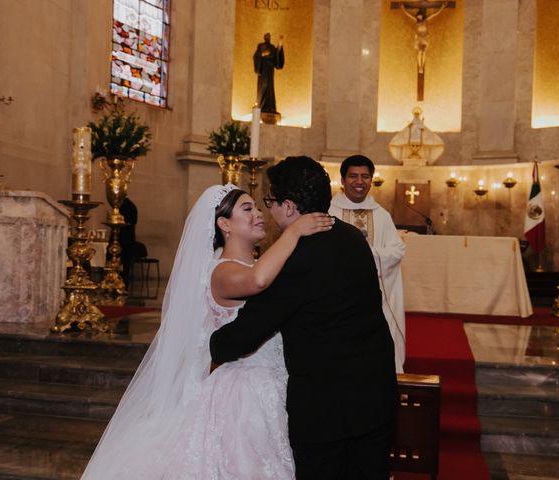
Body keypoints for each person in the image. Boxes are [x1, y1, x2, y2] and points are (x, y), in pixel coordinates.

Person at [81, 184, 333, 479]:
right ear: (224, 224)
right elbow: (258, 281)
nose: (259, 215)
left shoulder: (255, 263)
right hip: (243, 395)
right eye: (247, 209)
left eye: (258, 207)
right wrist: (292, 232)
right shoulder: (223, 271)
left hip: (276, 384)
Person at [211, 156, 397, 480]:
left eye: (270, 202)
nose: (267, 212)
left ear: (288, 206)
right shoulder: (354, 238)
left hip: (326, 409)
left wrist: (215, 344)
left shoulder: (295, 256)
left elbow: (250, 330)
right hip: (376, 395)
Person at [329, 155, 406, 373]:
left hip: (376, 295)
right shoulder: (329, 211)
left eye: (365, 176)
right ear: (342, 180)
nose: (359, 182)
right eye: (353, 176)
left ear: (371, 180)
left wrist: (367, 255)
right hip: (337, 295)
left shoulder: (382, 216)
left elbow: (398, 249)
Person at [253, 32, 285, 115]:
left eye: (269, 36)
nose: (268, 37)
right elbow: (256, 56)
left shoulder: (272, 47)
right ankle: (261, 106)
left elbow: (277, 57)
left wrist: (280, 45)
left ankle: (270, 107)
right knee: (263, 86)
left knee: (270, 88)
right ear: (264, 37)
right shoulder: (260, 46)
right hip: (263, 70)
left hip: (270, 70)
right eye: (266, 36)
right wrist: (262, 54)